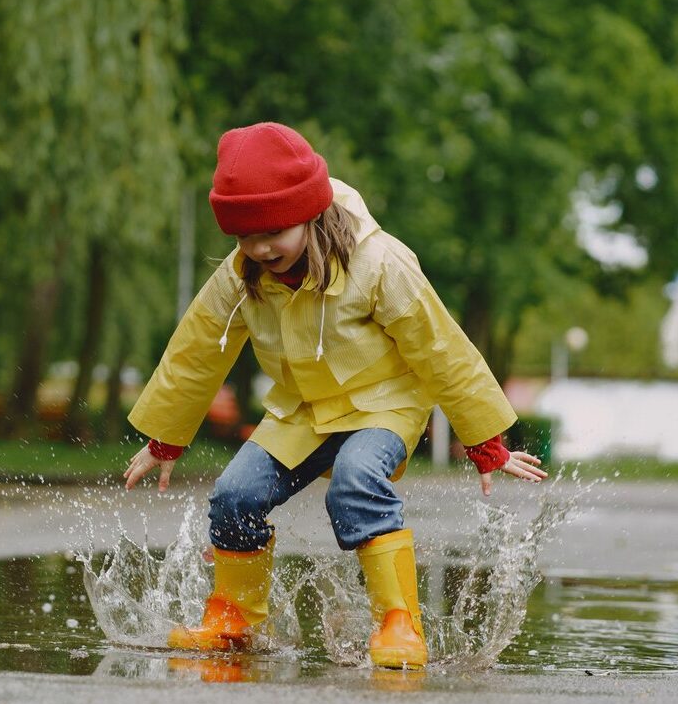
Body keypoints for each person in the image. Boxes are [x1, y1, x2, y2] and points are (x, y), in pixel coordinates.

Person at [122, 122, 547, 670]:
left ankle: (399, 624)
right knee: (233, 496)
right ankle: (234, 619)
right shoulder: (243, 272)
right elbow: (198, 349)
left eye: (272, 231)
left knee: (355, 483)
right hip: (302, 413)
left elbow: (440, 347)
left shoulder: (380, 264)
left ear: (309, 212)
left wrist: (485, 441)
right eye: (243, 236)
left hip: (383, 405)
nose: (259, 247)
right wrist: (166, 438)